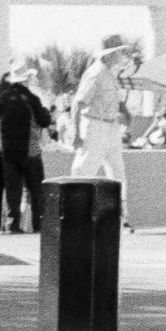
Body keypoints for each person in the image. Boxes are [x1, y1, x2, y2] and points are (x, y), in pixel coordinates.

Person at [70, 35, 135, 230]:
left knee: (117, 173)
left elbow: (114, 99)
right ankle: (75, 216)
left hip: (110, 126)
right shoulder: (95, 73)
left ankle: (121, 218)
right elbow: (78, 103)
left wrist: (124, 111)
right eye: (119, 51)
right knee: (84, 171)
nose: (122, 55)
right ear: (111, 53)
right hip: (95, 125)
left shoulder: (109, 73)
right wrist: (76, 133)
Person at [0, 57, 52, 234]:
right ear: (26, 79)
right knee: (36, 190)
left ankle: (12, 225)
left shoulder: (2, 99)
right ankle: (38, 226)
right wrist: (46, 112)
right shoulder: (31, 98)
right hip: (30, 152)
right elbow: (44, 120)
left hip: (8, 154)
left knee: (12, 192)